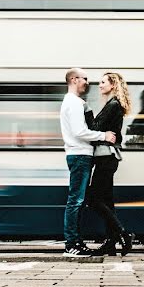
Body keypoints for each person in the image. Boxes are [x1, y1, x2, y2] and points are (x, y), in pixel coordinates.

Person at [60, 68, 116, 257]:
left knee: (78, 200)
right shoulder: (74, 103)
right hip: (79, 155)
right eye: (84, 79)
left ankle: (75, 242)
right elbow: (79, 132)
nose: (87, 82)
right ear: (74, 80)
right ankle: (71, 245)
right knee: (75, 201)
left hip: (79, 155)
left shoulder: (74, 102)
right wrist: (105, 135)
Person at [88, 72, 134, 256]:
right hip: (107, 158)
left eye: (102, 82)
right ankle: (111, 242)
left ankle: (123, 233)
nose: (99, 85)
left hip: (105, 158)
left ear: (113, 85)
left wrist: (87, 113)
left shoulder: (112, 105)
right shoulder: (113, 105)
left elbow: (95, 128)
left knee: (93, 198)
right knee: (106, 200)